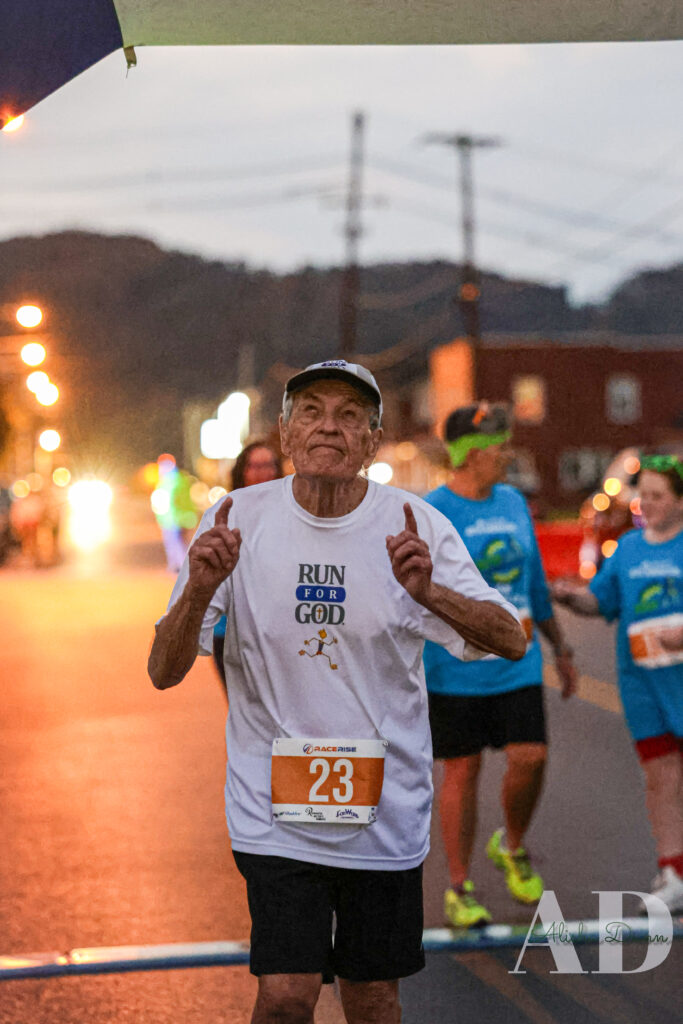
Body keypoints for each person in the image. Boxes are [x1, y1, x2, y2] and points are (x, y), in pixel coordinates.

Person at [148, 361, 526, 1024]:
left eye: (350, 415)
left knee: (372, 1000)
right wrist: (201, 589)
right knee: (285, 997)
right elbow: (163, 669)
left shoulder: (413, 523)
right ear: (286, 433)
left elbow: (510, 639)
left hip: (384, 813)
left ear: (373, 441)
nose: (329, 427)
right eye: (312, 411)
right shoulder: (237, 518)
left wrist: (428, 592)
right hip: (272, 811)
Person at [423, 402, 577, 928]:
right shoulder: (432, 511)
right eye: (497, 446)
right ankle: (459, 887)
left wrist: (562, 648)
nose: (507, 454)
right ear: (468, 454)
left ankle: (511, 845)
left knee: (531, 757)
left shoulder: (512, 501)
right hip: (455, 666)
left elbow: (534, 582)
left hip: (519, 658)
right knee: (462, 770)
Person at [553, 454, 683, 913]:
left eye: (658, 496)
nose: (646, 504)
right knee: (661, 778)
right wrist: (572, 598)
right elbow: (601, 601)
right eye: (642, 495)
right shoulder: (628, 548)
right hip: (642, 683)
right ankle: (673, 871)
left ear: (680, 500)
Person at [212, 441, 283, 689]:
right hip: (231, 631)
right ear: (242, 471)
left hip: (276, 631)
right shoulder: (226, 513)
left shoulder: (291, 514)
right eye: (255, 466)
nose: (263, 473)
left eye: (269, 465)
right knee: (241, 705)